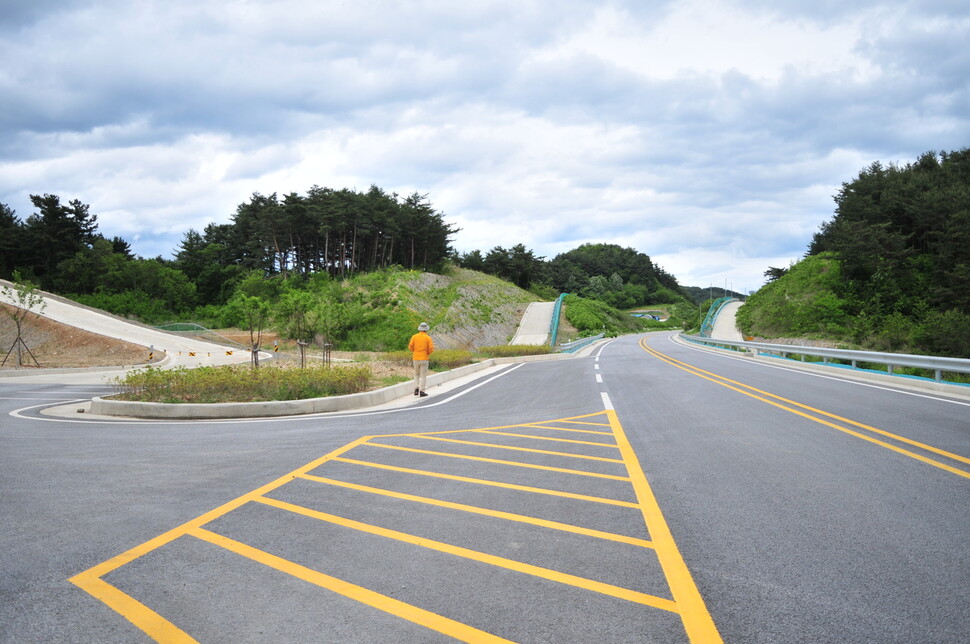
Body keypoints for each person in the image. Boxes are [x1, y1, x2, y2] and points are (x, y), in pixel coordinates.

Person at [408, 322, 434, 397]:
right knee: (423, 375)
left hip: (415, 358)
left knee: (416, 374)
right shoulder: (428, 338)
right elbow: (431, 348)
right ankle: (422, 391)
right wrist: (427, 353)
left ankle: (416, 389)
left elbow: (410, 346)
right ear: (426, 329)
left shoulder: (414, 337)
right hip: (424, 358)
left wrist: (415, 351)